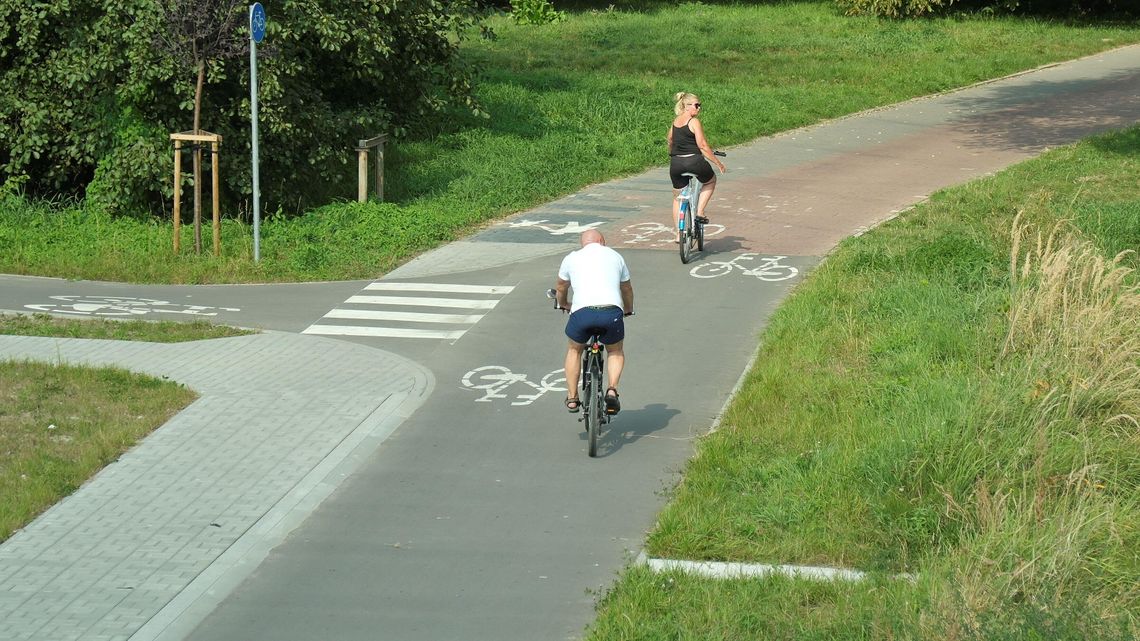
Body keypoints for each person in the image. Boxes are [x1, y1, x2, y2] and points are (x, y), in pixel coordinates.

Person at [553, 229, 634, 415]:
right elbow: (627, 288)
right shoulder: (615, 256)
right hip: (611, 312)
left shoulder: (571, 258)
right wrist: (628, 308)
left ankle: (572, 398)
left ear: (583, 244)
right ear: (602, 241)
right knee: (615, 350)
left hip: (582, 313)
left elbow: (561, 286)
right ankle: (612, 389)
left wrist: (563, 303)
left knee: (574, 349)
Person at [667, 92, 726, 243]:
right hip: (694, 162)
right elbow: (703, 146)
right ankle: (700, 211)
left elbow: (670, 140)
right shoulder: (693, 122)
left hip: (676, 164)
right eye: (696, 105)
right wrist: (717, 162)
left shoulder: (675, 121)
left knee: (677, 197)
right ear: (686, 106)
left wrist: (672, 155)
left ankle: (679, 234)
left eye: (700, 105)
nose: (699, 108)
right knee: (711, 180)